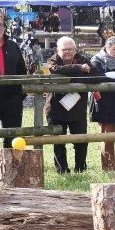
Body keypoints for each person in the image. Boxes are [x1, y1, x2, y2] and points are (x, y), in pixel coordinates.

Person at [45, 36, 93, 173]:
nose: (67, 52)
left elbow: (95, 73)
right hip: (55, 109)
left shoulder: (84, 59)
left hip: (77, 108)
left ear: (75, 50)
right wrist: (78, 69)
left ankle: (80, 168)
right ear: (58, 50)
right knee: (58, 142)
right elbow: (54, 69)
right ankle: (62, 170)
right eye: (64, 49)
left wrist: (70, 74)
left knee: (81, 141)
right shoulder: (53, 59)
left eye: (70, 49)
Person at [0, 12, 28, 177]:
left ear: (5, 27)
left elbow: (22, 70)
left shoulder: (13, 46)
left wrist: (19, 94)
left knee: (12, 135)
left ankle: (11, 169)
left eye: (0, 24)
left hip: (12, 99)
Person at [89, 36, 115, 171]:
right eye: (114, 49)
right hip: (105, 102)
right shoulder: (97, 60)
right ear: (107, 47)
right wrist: (106, 76)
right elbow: (95, 76)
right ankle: (108, 167)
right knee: (108, 136)